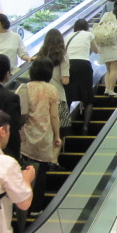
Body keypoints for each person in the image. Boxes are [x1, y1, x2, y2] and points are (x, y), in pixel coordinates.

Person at [18, 58, 61, 219]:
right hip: (44, 134)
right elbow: (54, 115)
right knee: (41, 172)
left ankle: (21, 207)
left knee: (24, 171)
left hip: (26, 134)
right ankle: (36, 207)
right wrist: (57, 136)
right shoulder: (51, 89)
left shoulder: (25, 87)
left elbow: (21, 112)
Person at [35, 29, 71, 159]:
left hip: (40, 97)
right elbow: (65, 80)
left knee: (46, 130)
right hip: (58, 96)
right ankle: (54, 160)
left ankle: (45, 158)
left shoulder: (39, 56)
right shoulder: (63, 56)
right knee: (60, 130)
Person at [65, 19, 99, 134]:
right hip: (84, 64)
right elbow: (96, 50)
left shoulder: (68, 36)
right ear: (86, 27)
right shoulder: (89, 34)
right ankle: (85, 126)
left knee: (67, 97)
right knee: (88, 97)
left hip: (69, 65)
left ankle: (65, 127)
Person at [98, 0, 117, 97]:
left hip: (104, 44)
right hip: (115, 45)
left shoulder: (106, 14)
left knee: (108, 69)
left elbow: (100, 25)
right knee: (114, 68)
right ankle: (111, 90)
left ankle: (106, 89)